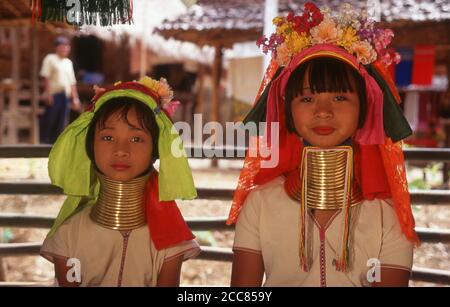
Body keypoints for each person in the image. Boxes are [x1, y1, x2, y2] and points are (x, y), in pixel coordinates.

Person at [228, 2, 418, 287]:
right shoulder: (260, 204)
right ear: (286, 110)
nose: (323, 111)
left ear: (364, 110)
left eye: (340, 97)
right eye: (306, 98)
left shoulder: (386, 215)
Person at [40, 76, 200, 286]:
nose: (121, 151)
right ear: (91, 147)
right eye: (107, 137)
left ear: (155, 149)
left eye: (136, 139)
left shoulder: (170, 242)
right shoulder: (68, 236)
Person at [40, 35, 81, 144]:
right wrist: (48, 94)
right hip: (54, 95)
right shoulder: (50, 59)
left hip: (65, 96)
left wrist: (75, 98)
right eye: (62, 46)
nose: (65, 48)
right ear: (56, 47)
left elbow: (72, 82)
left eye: (67, 46)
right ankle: (44, 144)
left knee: (62, 122)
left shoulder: (68, 62)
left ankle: (57, 145)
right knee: (50, 120)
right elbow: (46, 77)